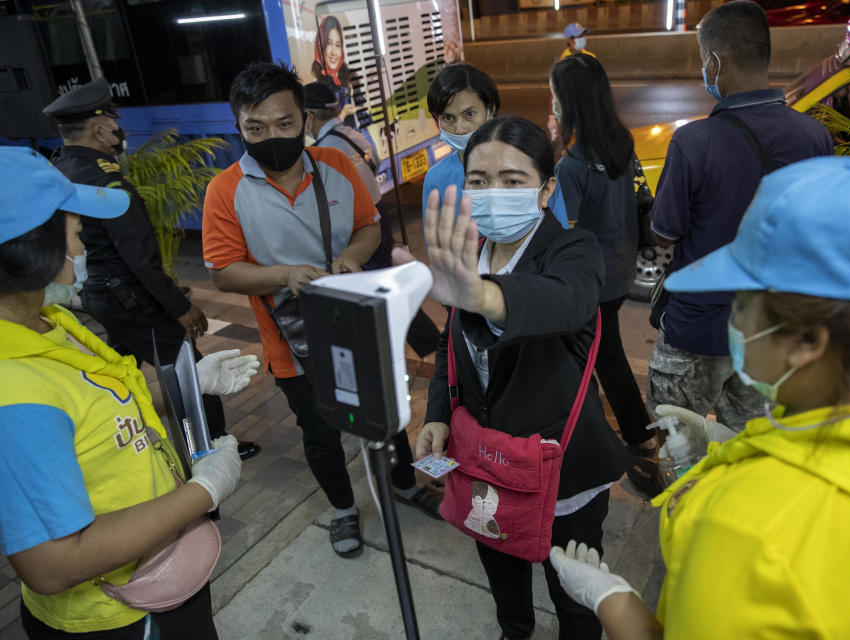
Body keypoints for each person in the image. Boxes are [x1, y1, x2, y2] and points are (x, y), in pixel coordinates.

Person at [548, 156, 850, 639]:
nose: (734, 319)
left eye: (742, 301)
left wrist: (611, 600)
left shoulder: (749, 532)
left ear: (808, 341)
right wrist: (729, 447)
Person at [0, 146, 249, 639]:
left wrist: (183, 386)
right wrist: (203, 490)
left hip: (156, 582)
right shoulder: (15, 395)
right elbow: (51, 564)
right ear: (30, 249)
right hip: (117, 616)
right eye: (72, 223)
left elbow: (99, 418)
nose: (81, 235)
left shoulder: (51, 322)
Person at [202, 62, 443, 559]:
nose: (271, 137)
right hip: (289, 341)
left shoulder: (334, 164)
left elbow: (368, 226)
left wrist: (353, 255)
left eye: (284, 124)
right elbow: (224, 271)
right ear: (238, 127)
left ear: (304, 119)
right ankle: (342, 509)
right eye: (255, 128)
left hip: (356, 326)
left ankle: (403, 484)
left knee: (387, 415)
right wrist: (284, 274)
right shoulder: (224, 191)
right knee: (319, 431)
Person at [410, 117, 630, 640]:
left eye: (513, 181)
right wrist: (439, 413)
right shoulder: (472, 249)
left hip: (562, 466)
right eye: (480, 181)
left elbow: (567, 301)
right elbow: (451, 342)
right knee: (502, 573)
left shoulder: (571, 249)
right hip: (486, 458)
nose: (494, 194)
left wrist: (486, 296)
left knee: (573, 591)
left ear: (545, 188)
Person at [41, 77, 261, 461]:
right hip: (133, 300)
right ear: (99, 129)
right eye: (111, 119)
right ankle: (215, 444)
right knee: (190, 370)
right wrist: (182, 308)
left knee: (120, 363)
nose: (116, 127)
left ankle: (132, 427)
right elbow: (140, 260)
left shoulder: (61, 170)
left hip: (100, 295)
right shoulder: (108, 183)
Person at [648, 0, 833, 432]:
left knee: (679, 450)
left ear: (715, 61)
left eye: (702, 62)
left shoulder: (693, 142)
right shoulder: (815, 137)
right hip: (771, 331)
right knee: (750, 449)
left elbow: (665, 232)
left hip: (699, 329)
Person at [550, 54, 659, 493]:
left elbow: (564, 234)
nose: (551, 102)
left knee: (596, 360)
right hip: (619, 272)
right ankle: (637, 435)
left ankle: (635, 439)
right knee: (605, 354)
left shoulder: (571, 166)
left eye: (554, 94)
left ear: (568, 101)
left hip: (590, 284)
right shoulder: (621, 143)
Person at [305, 80, 441, 357]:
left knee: (379, 289)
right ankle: (428, 344)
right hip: (379, 218)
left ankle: (424, 346)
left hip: (357, 230)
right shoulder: (353, 135)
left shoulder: (325, 151)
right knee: (385, 283)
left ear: (310, 115)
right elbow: (376, 164)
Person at [422, 63, 569, 229]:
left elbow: (561, 232)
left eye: (469, 114)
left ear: (490, 110)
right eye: (448, 118)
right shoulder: (436, 179)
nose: (459, 128)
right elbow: (437, 247)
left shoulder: (531, 161)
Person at [312, 14, 367, 129]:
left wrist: (365, 104)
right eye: (329, 44)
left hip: (356, 139)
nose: (334, 52)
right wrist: (343, 114)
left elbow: (365, 117)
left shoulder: (351, 75)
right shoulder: (316, 85)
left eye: (338, 45)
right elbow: (319, 132)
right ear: (320, 45)